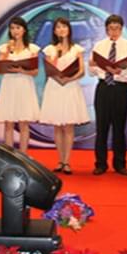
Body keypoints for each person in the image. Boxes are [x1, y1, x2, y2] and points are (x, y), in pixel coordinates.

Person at [39, 17, 90, 175]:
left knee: (68, 125)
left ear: (69, 29)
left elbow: (81, 71)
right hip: (55, 87)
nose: (61, 29)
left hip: (70, 86)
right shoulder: (50, 49)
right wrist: (57, 62)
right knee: (57, 126)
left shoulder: (77, 49)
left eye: (64, 26)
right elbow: (49, 68)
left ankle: (67, 161)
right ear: (54, 31)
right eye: (58, 27)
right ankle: (60, 160)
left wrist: (69, 78)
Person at [88, 14, 127, 176]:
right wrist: (96, 66)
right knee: (101, 128)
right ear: (106, 29)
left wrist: (120, 71)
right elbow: (92, 70)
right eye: (111, 28)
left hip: (120, 88)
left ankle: (120, 164)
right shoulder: (99, 46)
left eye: (117, 28)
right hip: (103, 88)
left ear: (121, 29)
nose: (114, 32)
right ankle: (100, 164)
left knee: (119, 127)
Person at [0, 17, 40, 153]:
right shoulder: (4, 48)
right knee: (8, 123)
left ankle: (23, 155)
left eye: (18, 28)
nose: (15, 31)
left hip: (24, 85)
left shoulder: (32, 49)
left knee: (24, 123)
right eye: (12, 28)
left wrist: (21, 70)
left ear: (24, 30)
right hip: (9, 85)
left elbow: (35, 71)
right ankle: (9, 155)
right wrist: (8, 50)